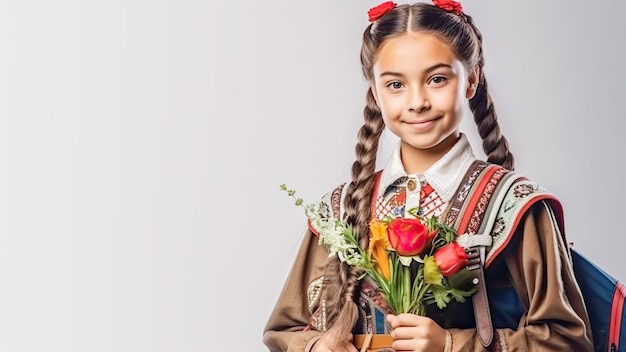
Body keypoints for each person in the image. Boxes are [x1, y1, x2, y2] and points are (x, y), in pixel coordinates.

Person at [263, 1, 594, 351]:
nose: (417, 101)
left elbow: (566, 338)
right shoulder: (342, 209)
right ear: (375, 92)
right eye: (395, 85)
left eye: (437, 79)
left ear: (471, 80)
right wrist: (317, 346)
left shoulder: (515, 205)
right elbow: (285, 329)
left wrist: (450, 344)